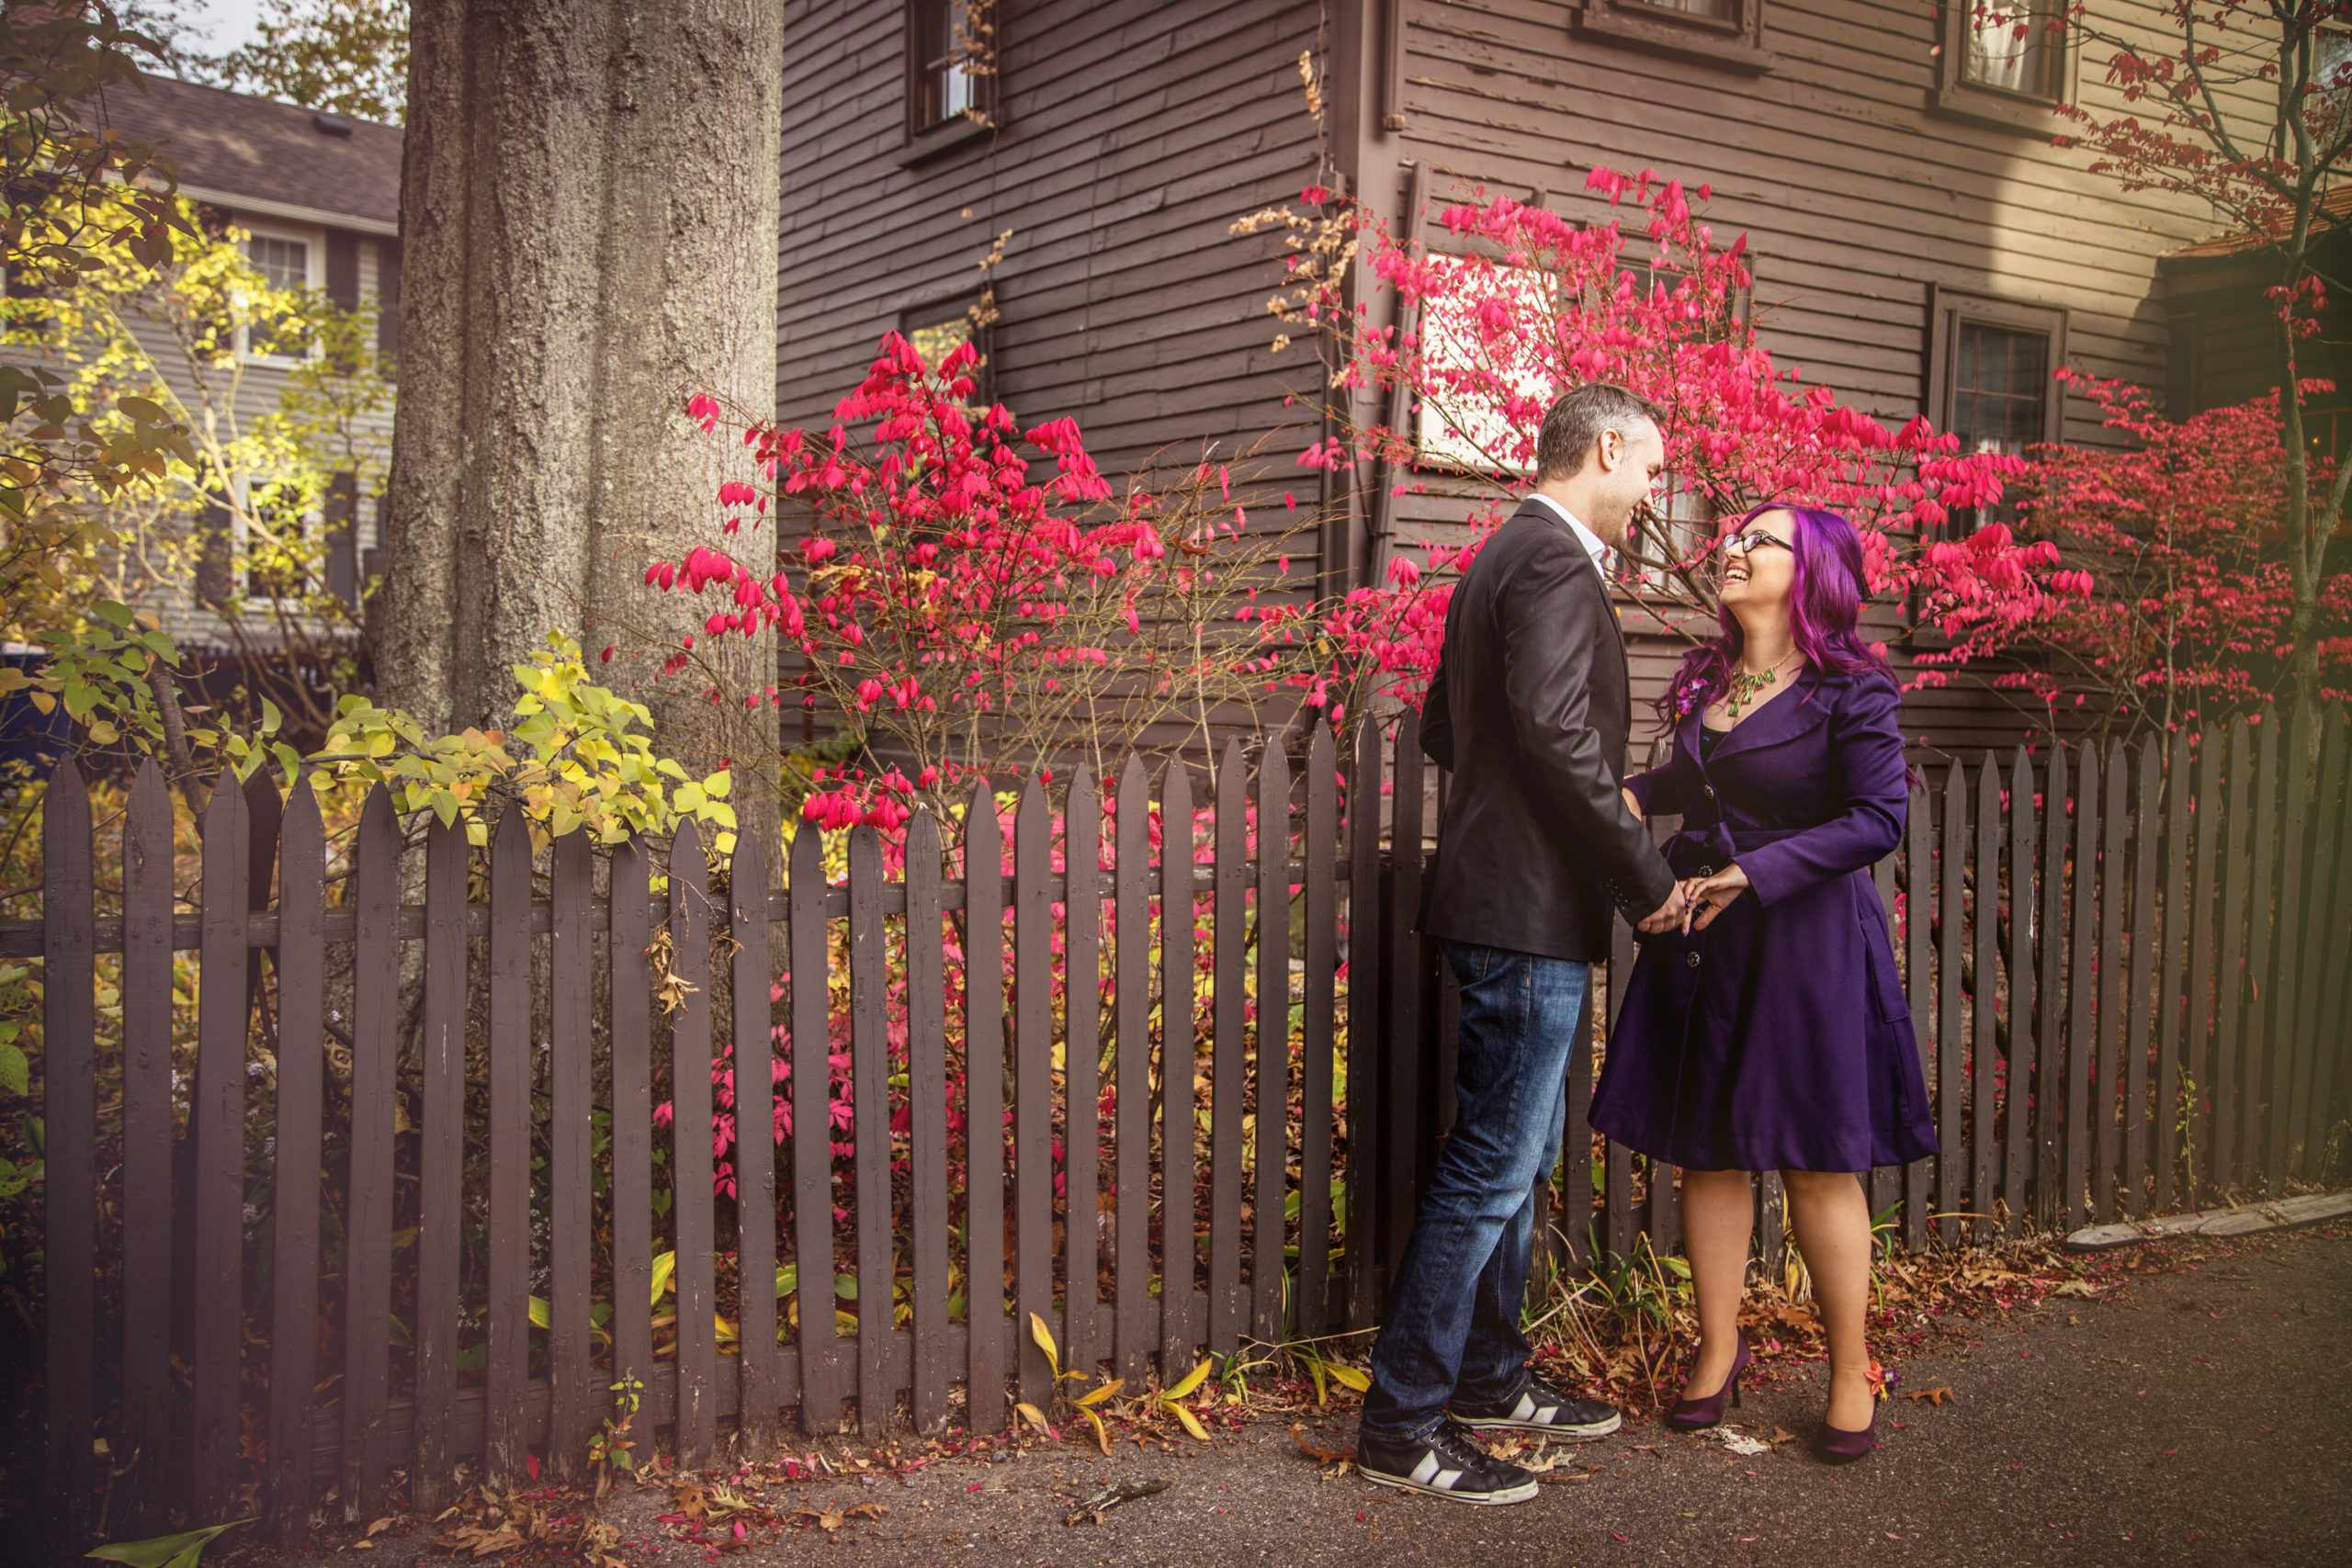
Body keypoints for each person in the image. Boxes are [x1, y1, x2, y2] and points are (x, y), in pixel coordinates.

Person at [1355, 384, 1689, 1506]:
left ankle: (1492, 1379)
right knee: (1492, 1165)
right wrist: (1641, 876)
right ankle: (1402, 1427)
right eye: (1650, 468)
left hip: (1503, 899)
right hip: (1525, 911)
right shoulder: (1553, 561)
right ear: (1605, 450)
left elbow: (1447, 725)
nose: (1653, 493)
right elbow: (1550, 729)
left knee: (1516, 1159)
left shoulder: (1498, 553)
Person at [1590, 502, 1935, 1465]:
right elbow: (1698, 785)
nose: (1733, 549)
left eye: (1760, 540)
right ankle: (1718, 1349)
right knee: (1711, 1152)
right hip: (1707, 945)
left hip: (1805, 941)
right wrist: (1627, 797)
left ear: (1813, 570)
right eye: (1734, 537)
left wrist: (1756, 871)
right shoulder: (1711, 677)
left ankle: (1848, 1367)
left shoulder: (1852, 691)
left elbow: (1877, 819)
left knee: (1818, 1159)